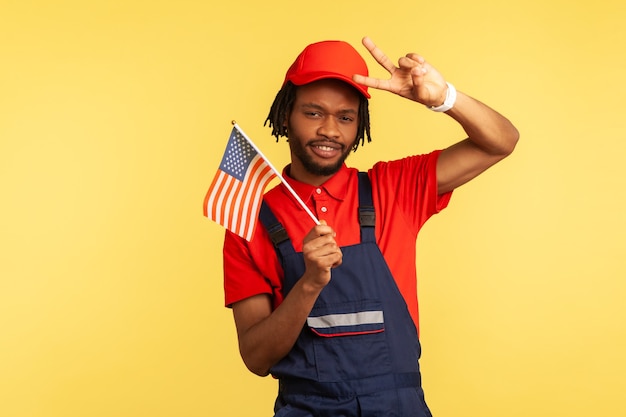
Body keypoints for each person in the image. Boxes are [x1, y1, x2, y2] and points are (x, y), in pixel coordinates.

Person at [222, 37, 519, 416]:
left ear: (359, 124)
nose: (330, 130)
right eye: (313, 113)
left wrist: (443, 97)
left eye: (346, 117)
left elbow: (501, 142)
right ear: (285, 115)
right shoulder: (250, 222)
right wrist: (309, 284)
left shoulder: (393, 189)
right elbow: (256, 357)